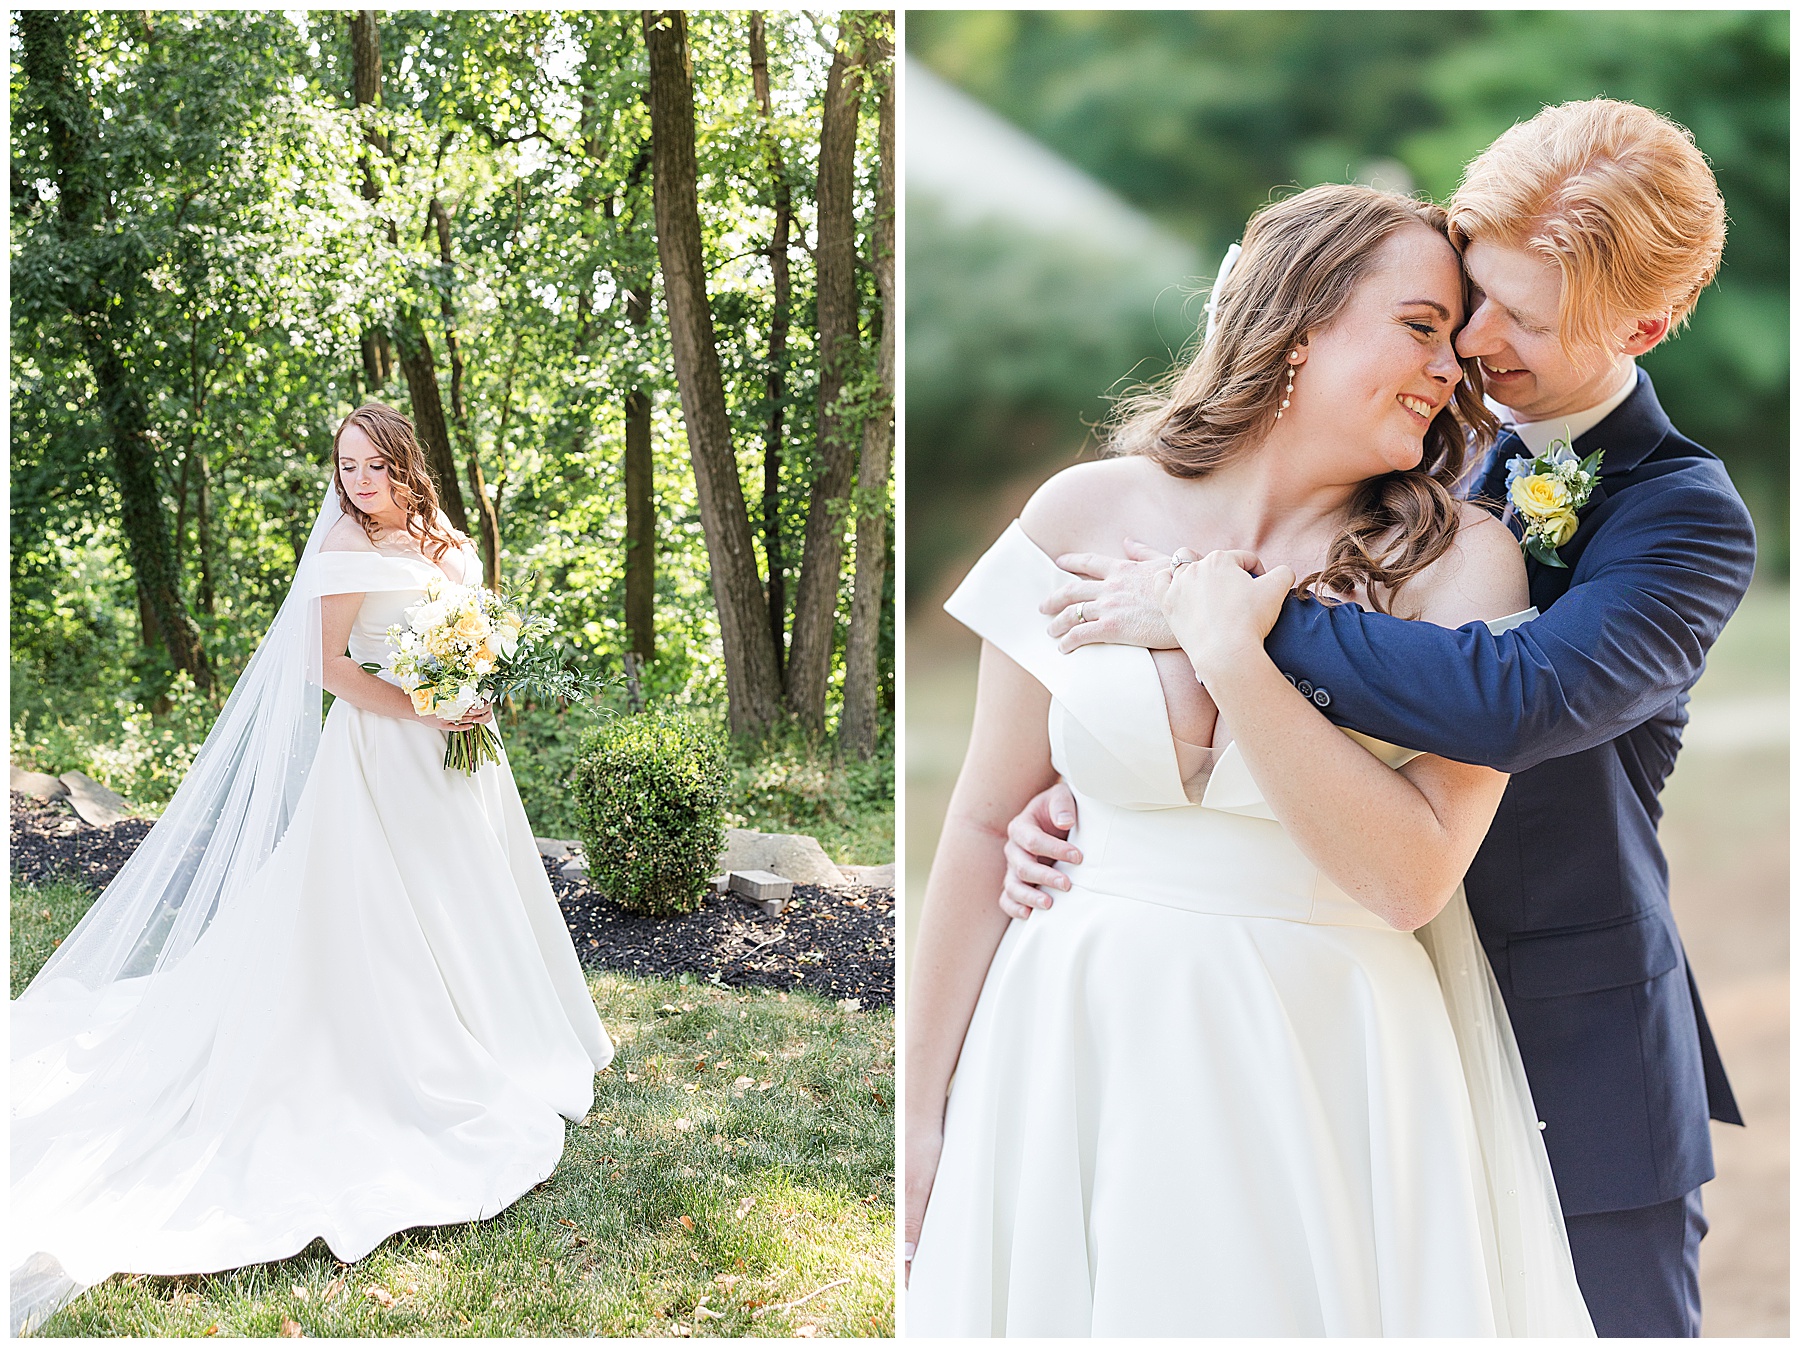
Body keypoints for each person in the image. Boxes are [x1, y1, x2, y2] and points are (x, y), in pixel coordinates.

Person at [999, 100, 1754, 1337]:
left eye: (1525, 316)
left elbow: (1523, 694)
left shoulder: (1687, 518)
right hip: (1344, 1022)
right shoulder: (1414, 437)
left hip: (1559, 1038)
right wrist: (1101, 783)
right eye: (1472, 291)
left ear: (1646, 325)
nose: (1472, 340)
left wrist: (1227, 618)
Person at [905, 183, 1594, 1336]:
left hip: (1323, 1058)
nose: (1449, 369)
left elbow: (1412, 878)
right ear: (1301, 319)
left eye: (1456, 345)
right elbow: (983, 824)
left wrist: (1232, 650)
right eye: (1421, 326)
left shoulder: (1464, 568)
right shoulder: (1081, 511)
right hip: (1070, 1035)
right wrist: (921, 1117)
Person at [10, 404, 614, 1333]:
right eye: (346, 467)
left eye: (373, 466)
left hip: (465, 759)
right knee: (382, 914)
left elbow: (473, 628)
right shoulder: (340, 539)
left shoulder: (442, 534)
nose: (359, 482)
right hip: (381, 755)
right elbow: (325, 667)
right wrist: (423, 707)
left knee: (471, 899)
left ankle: (501, 1027)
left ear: (407, 464)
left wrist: (477, 690)